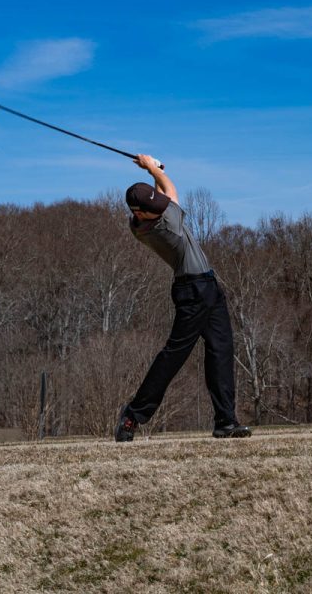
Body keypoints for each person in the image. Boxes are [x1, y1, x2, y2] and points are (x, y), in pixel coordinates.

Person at [115, 154, 251, 441]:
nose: (160, 206)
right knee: (173, 357)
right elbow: (171, 192)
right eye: (154, 207)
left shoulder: (146, 219)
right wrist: (153, 167)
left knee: (221, 351)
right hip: (194, 290)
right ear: (141, 213)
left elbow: (162, 197)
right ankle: (133, 415)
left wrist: (152, 172)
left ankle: (226, 421)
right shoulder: (166, 225)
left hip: (207, 288)